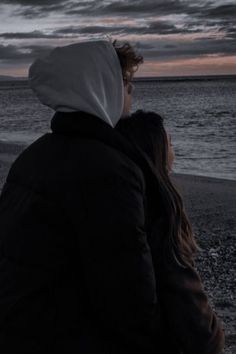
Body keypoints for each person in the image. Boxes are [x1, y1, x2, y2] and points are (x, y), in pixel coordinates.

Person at [0, 38, 158, 354]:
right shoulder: (108, 170)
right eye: (127, 85)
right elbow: (127, 293)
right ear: (102, 86)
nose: (130, 96)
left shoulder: (35, 155)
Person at [115, 110, 225, 353]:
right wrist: (213, 334)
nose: (175, 150)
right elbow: (198, 328)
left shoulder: (123, 204)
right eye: (171, 142)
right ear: (159, 152)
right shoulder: (159, 215)